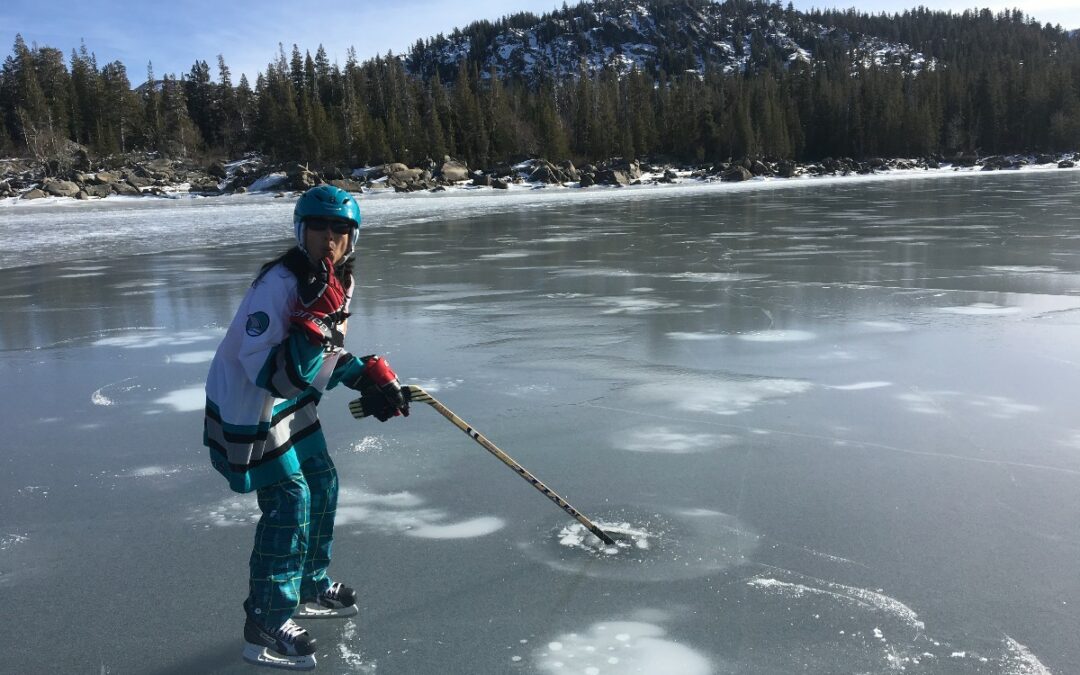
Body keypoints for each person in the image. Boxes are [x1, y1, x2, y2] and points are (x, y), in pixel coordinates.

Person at [203, 185, 410, 670]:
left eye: (341, 229)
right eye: (319, 227)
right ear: (302, 231)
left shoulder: (338, 280)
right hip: (250, 406)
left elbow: (320, 357)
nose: (329, 238)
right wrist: (311, 326)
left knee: (322, 482)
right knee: (289, 501)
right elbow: (269, 373)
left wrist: (367, 376)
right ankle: (266, 618)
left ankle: (310, 582)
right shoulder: (280, 284)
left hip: (289, 400)